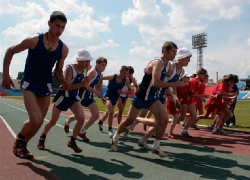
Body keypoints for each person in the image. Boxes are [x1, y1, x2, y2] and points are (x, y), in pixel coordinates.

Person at [2, 11, 68, 159]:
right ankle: (19, 140)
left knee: (38, 122)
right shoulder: (34, 40)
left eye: (63, 27)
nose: (60, 30)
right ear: (49, 23)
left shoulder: (63, 49)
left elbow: (57, 71)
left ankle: (22, 146)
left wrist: (63, 80)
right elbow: (10, 50)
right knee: (36, 119)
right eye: (57, 25)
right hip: (29, 83)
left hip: (45, 85)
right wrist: (6, 75)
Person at [111, 42, 185, 158]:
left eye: (176, 52)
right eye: (173, 52)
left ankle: (156, 146)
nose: (175, 55)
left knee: (164, 119)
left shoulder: (167, 65)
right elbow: (156, 82)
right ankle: (116, 137)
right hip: (141, 96)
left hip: (152, 98)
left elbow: (166, 81)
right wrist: (175, 83)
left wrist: (174, 95)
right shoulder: (157, 63)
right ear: (165, 51)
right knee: (129, 120)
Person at [37, 49, 91, 153]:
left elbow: (83, 85)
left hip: (74, 97)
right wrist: (82, 84)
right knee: (53, 121)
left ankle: (72, 141)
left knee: (81, 119)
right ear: (78, 60)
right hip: (63, 97)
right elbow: (67, 87)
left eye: (89, 61)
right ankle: (43, 136)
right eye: (85, 61)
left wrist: (86, 85)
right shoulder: (70, 68)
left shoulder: (86, 68)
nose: (87, 63)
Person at [64, 56, 107, 142]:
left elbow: (98, 87)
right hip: (81, 94)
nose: (104, 67)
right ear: (97, 64)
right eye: (102, 65)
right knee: (79, 116)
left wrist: (102, 97)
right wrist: (96, 92)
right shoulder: (92, 72)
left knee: (96, 115)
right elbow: (85, 85)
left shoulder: (100, 74)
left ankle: (82, 131)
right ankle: (67, 122)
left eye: (105, 65)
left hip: (89, 96)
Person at [98, 66, 132, 138]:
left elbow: (130, 91)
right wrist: (100, 91)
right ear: (120, 71)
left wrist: (122, 91)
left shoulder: (126, 80)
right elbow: (101, 78)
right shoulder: (112, 76)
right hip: (108, 96)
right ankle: (110, 129)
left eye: (126, 73)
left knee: (108, 113)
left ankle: (101, 122)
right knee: (111, 112)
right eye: (124, 73)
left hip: (116, 97)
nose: (125, 75)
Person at [180, 68, 209, 138]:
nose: (205, 77)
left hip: (189, 100)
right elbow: (192, 94)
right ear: (199, 74)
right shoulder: (195, 81)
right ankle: (167, 120)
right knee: (181, 118)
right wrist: (203, 95)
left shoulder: (196, 81)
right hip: (187, 100)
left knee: (193, 115)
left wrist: (201, 96)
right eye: (204, 75)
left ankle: (184, 130)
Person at [113, 66, 139, 136]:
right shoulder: (121, 78)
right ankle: (119, 125)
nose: (130, 75)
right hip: (119, 95)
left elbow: (136, 86)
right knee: (120, 110)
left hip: (125, 95)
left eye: (132, 74)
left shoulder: (132, 79)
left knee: (121, 110)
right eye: (129, 73)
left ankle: (113, 115)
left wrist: (136, 93)